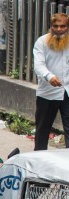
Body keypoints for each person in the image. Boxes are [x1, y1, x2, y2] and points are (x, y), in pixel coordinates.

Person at [33, 13, 69, 151]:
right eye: (56, 26)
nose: (59, 29)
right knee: (42, 130)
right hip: (48, 92)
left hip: (67, 91)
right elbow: (38, 65)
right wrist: (49, 76)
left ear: (67, 27)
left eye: (63, 26)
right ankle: (38, 158)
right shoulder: (42, 42)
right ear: (51, 26)